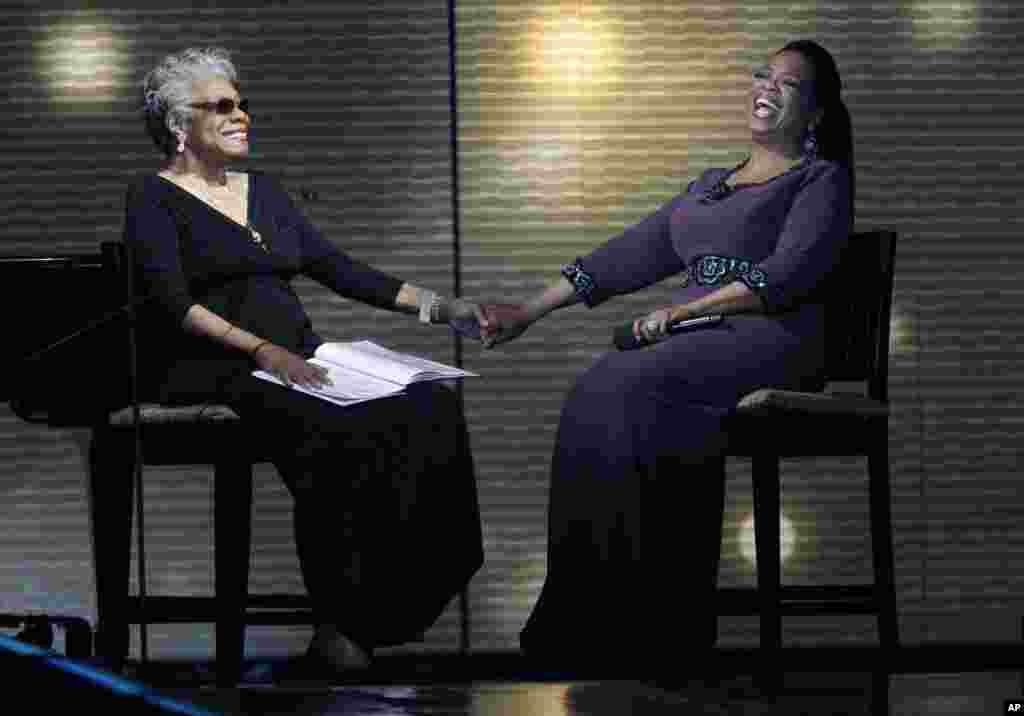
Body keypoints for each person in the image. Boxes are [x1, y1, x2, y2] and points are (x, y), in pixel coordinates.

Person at [479, 40, 854, 665]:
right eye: (763, 74)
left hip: (769, 335)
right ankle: (586, 623)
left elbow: (787, 275)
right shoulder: (708, 187)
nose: (767, 87)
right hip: (689, 338)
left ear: (814, 112)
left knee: (637, 385)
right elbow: (626, 254)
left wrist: (681, 313)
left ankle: (660, 627)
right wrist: (527, 311)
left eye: (788, 83)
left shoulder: (821, 181)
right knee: (594, 389)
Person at [126, 46, 487, 672]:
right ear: (180, 124)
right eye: (223, 106)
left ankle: (393, 602)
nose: (241, 116)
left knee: (430, 407)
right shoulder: (152, 196)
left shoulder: (263, 191)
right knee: (341, 429)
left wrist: (441, 307)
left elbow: (337, 268)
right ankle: (341, 622)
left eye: (242, 104)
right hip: (218, 365)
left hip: (298, 355)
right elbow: (174, 304)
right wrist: (264, 351)